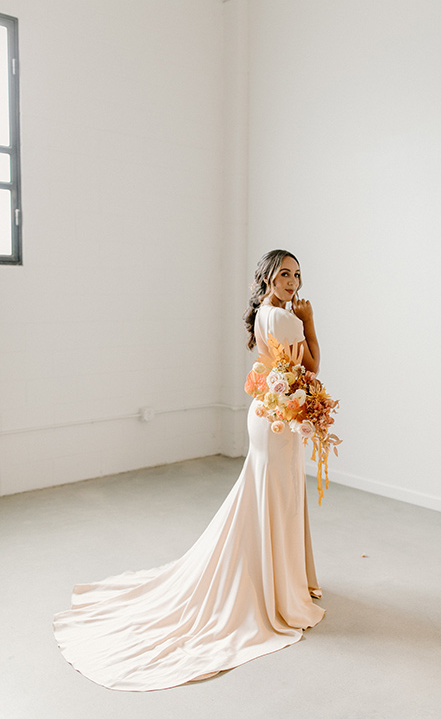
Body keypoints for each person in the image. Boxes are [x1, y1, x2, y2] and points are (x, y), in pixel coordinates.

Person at [53, 249, 325, 691]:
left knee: (265, 499)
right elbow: (312, 365)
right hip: (277, 421)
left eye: (298, 274)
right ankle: (276, 591)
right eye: (284, 274)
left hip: (270, 414)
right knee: (277, 500)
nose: (293, 281)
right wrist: (311, 320)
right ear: (268, 278)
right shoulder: (287, 318)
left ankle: (277, 580)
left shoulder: (265, 313)